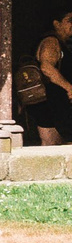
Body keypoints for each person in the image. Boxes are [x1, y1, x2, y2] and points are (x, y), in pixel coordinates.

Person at [30, 11, 72, 146]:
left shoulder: (60, 43)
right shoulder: (51, 41)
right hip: (48, 102)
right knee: (51, 144)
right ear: (56, 24)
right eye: (69, 20)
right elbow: (46, 68)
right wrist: (69, 88)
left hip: (54, 102)